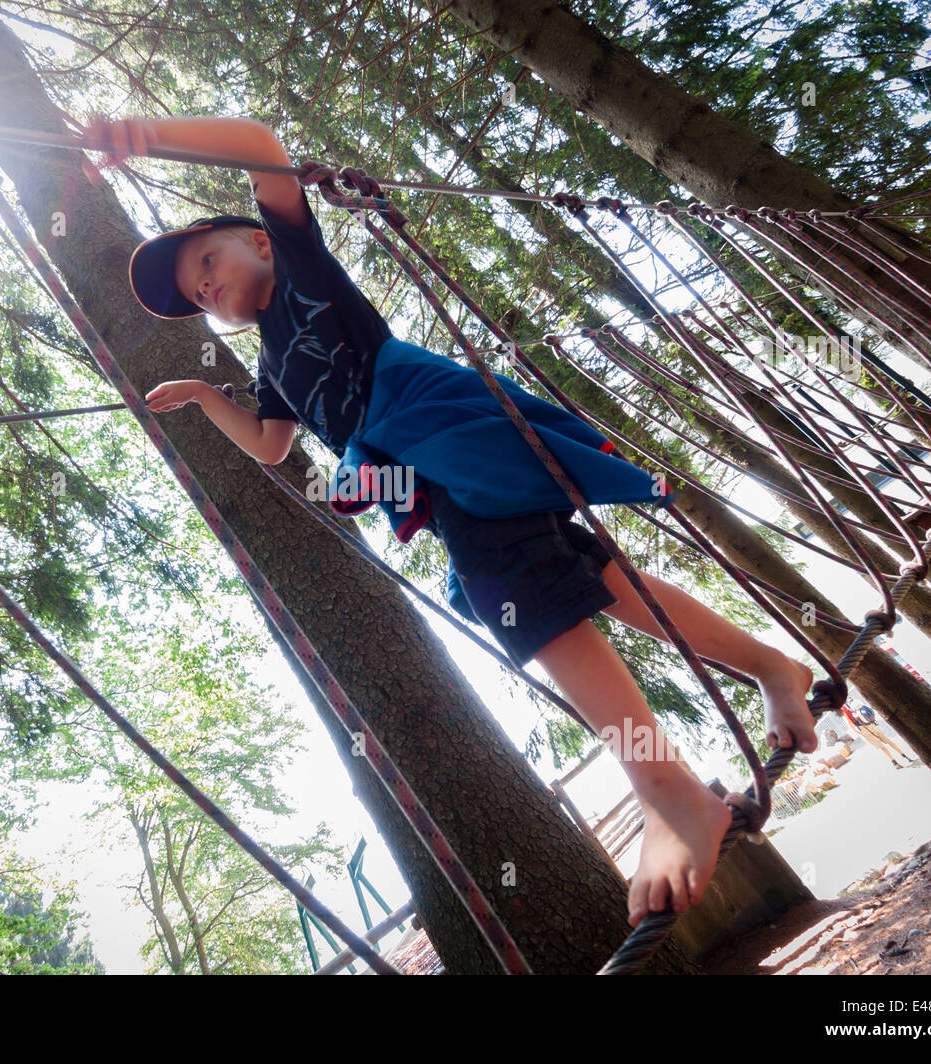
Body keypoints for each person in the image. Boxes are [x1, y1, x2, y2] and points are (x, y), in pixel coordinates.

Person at [91, 116, 818, 928]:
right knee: (590, 578)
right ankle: (769, 667)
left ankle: (671, 791)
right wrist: (203, 397)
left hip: (439, 424)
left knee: (517, 587)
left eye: (205, 261)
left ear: (258, 240)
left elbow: (261, 148)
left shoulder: (302, 273)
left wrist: (141, 133)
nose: (205, 287)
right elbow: (270, 445)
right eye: (196, 294)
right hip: (418, 471)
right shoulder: (269, 364)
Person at [841, 703, 914, 769]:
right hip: (870, 723)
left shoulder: (841, 708)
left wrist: (857, 731)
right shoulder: (848, 703)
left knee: (881, 746)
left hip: (863, 729)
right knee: (888, 741)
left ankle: (895, 763)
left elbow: (849, 721)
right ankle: (906, 757)